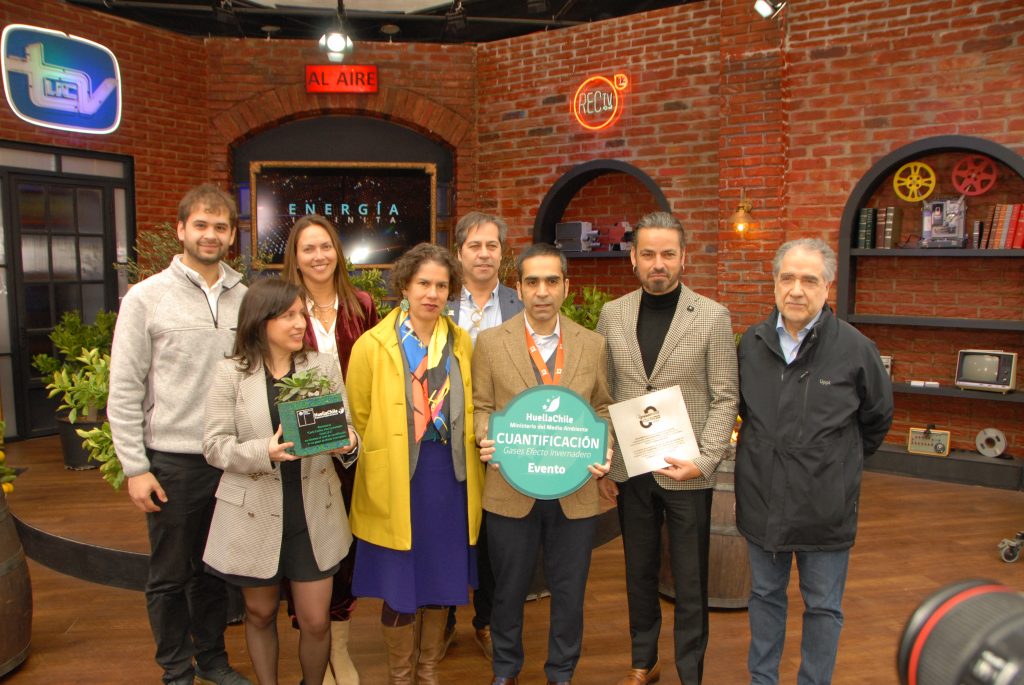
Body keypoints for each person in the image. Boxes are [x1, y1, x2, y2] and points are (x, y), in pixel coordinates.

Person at [108, 184, 252, 685]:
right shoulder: (146, 298)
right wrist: (135, 468)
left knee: (215, 572)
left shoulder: (247, 300)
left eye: (220, 227)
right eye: (201, 225)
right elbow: (124, 388)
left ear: (232, 236)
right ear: (181, 230)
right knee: (170, 576)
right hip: (173, 461)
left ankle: (212, 660)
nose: (210, 235)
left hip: (229, 460)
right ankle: (175, 671)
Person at [735, 238, 893, 685]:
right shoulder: (752, 343)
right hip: (762, 499)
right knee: (765, 596)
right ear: (774, 283)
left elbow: (877, 418)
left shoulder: (856, 348)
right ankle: (762, 680)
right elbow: (745, 411)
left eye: (809, 280)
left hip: (826, 506)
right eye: (787, 278)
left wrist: (837, 466)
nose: (796, 290)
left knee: (823, 606)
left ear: (827, 286)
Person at [595, 211, 738, 685]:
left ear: (683, 258)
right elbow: (603, 393)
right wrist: (607, 464)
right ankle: (644, 661)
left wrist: (704, 461)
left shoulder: (712, 316)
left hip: (687, 472)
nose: (659, 263)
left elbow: (725, 397)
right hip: (632, 471)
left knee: (691, 580)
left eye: (668, 254)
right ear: (633, 259)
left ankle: (690, 672)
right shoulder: (612, 314)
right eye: (649, 254)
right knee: (638, 572)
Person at [202, 278, 357, 685]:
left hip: (313, 509)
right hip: (253, 511)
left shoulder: (322, 366)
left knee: (316, 620)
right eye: (288, 315)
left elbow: (346, 427)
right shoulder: (231, 373)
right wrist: (263, 452)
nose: (299, 323)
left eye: (302, 314)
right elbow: (214, 446)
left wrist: (348, 442)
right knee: (259, 613)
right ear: (261, 319)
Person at [472, 243, 612, 685]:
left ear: (566, 287)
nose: (542, 291)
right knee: (508, 589)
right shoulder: (491, 343)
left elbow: (603, 408)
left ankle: (562, 673)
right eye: (532, 282)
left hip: (575, 489)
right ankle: (505, 670)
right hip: (510, 487)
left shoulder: (592, 344)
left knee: (569, 592)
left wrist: (603, 446)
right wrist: (485, 435)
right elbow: (480, 406)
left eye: (552, 281)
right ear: (518, 288)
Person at [346, 243, 484, 685]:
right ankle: (401, 676)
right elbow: (360, 415)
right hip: (397, 479)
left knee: (441, 580)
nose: (432, 293)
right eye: (423, 283)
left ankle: (428, 672)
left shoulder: (461, 341)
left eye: (441, 285)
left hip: (450, 478)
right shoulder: (372, 344)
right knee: (400, 588)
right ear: (404, 285)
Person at [282, 214, 380, 685]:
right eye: (308, 248)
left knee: (345, 549)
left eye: (325, 247)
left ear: (337, 252)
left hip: (352, 447)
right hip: (299, 450)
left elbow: (379, 372)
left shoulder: (362, 305)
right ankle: (314, 646)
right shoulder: (281, 306)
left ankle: (339, 649)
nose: (318, 256)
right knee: (308, 551)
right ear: (295, 257)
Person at [448, 211, 524, 660]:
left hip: (502, 437)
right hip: (445, 437)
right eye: (474, 246)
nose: (483, 254)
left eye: (491, 245)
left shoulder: (520, 302)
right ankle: (442, 620)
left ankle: (487, 620)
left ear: (502, 253)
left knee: (497, 537)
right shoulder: (438, 298)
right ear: (459, 252)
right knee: (449, 530)